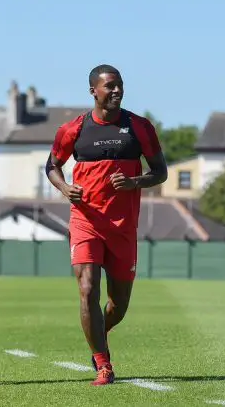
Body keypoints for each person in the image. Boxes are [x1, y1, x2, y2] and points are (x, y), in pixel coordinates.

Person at [45, 64, 167, 386]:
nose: (116, 91)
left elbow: (160, 172)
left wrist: (134, 181)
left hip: (123, 226)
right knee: (87, 289)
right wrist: (63, 187)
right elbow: (53, 166)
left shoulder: (139, 128)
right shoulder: (74, 129)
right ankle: (103, 364)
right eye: (109, 86)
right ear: (93, 91)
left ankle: (99, 332)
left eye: (120, 85)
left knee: (119, 304)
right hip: (85, 220)